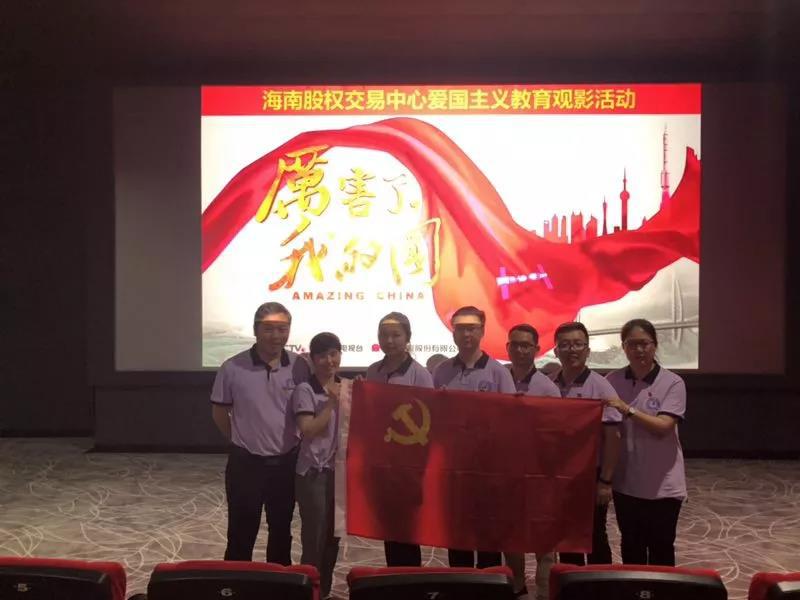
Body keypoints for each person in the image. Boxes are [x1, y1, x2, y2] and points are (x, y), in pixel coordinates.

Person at [210, 301, 310, 564]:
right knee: (240, 534)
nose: (276, 336)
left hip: (286, 463)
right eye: (268, 329)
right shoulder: (232, 367)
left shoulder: (300, 366)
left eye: (282, 329)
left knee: (281, 532)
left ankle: (279, 584)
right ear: (255, 331)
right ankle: (236, 584)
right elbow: (220, 413)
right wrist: (240, 440)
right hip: (246, 464)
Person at [432, 306, 517, 568]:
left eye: (472, 328)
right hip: (453, 466)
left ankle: (489, 584)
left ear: (482, 331)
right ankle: (461, 583)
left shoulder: (498, 372)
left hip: (487, 467)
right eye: (460, 328)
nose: (466, 334)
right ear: (453, 333)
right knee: (456, 531)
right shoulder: (442, 371)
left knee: (487, 532)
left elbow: (510, 420)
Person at [604, 319, 687, 566]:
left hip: (663, 484)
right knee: (631, 547)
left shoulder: (673, 382)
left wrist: (627, 409)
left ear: (655, 345)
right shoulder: (612, 380)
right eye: (632, 344)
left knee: (661, 548)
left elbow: (663, 427)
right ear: (623, 347)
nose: (639, 350)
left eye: (644, 344)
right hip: (626, 481)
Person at [366, 312, 435, 567]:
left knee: (408, 529)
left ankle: (410, 579)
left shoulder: (420, 374)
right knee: (388, 526)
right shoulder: (373, 371)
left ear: (407, 337)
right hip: (382, 463)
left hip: (409, 465)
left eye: (396, 335)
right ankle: (393, 577)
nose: (389, 340)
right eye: (384, 335)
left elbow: (429, 420)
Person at [550, 322, 622, 566]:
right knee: (566, 534)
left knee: (594, 535)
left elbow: (612, 437)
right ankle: (570, 582)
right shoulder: (550, 384)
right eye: (565, 345)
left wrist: (605, 481)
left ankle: (600, 584)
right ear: (555, 351)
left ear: (587, 350)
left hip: (591, 474)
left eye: (578, 344)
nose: (572, 350)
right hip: (559, 474)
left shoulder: (600, 386)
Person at [503, 324, 560, 599]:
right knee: (510, 532)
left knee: (543, 536)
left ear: (536, 349)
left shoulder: (548, 388)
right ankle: (517, 586)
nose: (520, 350)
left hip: (540, 471)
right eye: (515, 344)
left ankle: (544, 590)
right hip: (506, 470)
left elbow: (556, 432)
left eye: (526, 345)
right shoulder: (499, 380)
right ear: (507, 348)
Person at [293, 332, 344, 599]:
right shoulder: (305, 389)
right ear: (313, 359)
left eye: (333, 354)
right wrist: (331, 404)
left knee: (333, 535)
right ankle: (308, 590)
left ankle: (323, 590)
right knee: (314, 535)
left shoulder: (347, 388)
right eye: (322, 356)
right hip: (313, 473)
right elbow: (309, 429)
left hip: (339, 473)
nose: (329, 360)